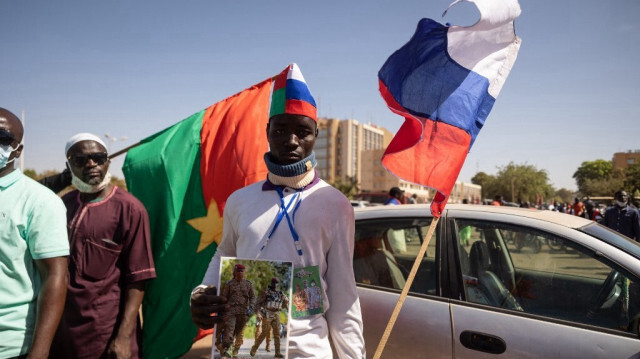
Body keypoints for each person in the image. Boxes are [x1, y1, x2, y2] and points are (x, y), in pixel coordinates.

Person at [190, 63, 365, 358]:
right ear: (267, 131)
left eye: (302, 131)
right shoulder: (240, 200)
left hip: (307, 350)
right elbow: (225, 253)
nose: (291, 141)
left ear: (315, 135)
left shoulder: (336, 204)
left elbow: (343, 292)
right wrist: (201, 292)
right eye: (281, 129)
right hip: (242, 347)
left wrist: (353, 356)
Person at [50, 133, 156, 359]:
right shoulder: (62, 206)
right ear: (69, 165)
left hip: (106, 334)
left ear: (107, 161)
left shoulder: (129, 209)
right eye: (80, 160)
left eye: (98, 158)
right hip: (63, 333)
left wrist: (123, 338)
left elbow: (138, 279)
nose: (91, 164)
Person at [0, 108, 69, 359]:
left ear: (17, 150)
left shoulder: (39, 201)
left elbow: (55, 276)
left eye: (2, 138)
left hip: (11, 345)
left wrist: (39, 351)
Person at [219, 264, 255, 358]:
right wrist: (224, 307)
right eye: (238, 271)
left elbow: (252, 297)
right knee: (229, 331)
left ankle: (235, 352)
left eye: (241, 271)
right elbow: (224, 297)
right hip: (231, 311)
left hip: (243, 312)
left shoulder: (248, 284)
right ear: (235, 272)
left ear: (244, 272)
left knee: (239, 335)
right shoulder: (229, 284)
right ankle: (227, 350)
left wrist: (251, 307)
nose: (240, 273)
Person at [250, 278, 289, 358]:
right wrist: (258, 313)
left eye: (277, 283)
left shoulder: (280, 293)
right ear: (271, 283)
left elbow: (286, 301)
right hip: (267, 313)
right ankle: (254, 349)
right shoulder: (266, 292)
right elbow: (258, 303)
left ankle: (277, 353)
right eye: (274, 283)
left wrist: (283, 306)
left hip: (276, 314)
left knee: (277, 334)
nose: (275, 285)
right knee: (264, 332)